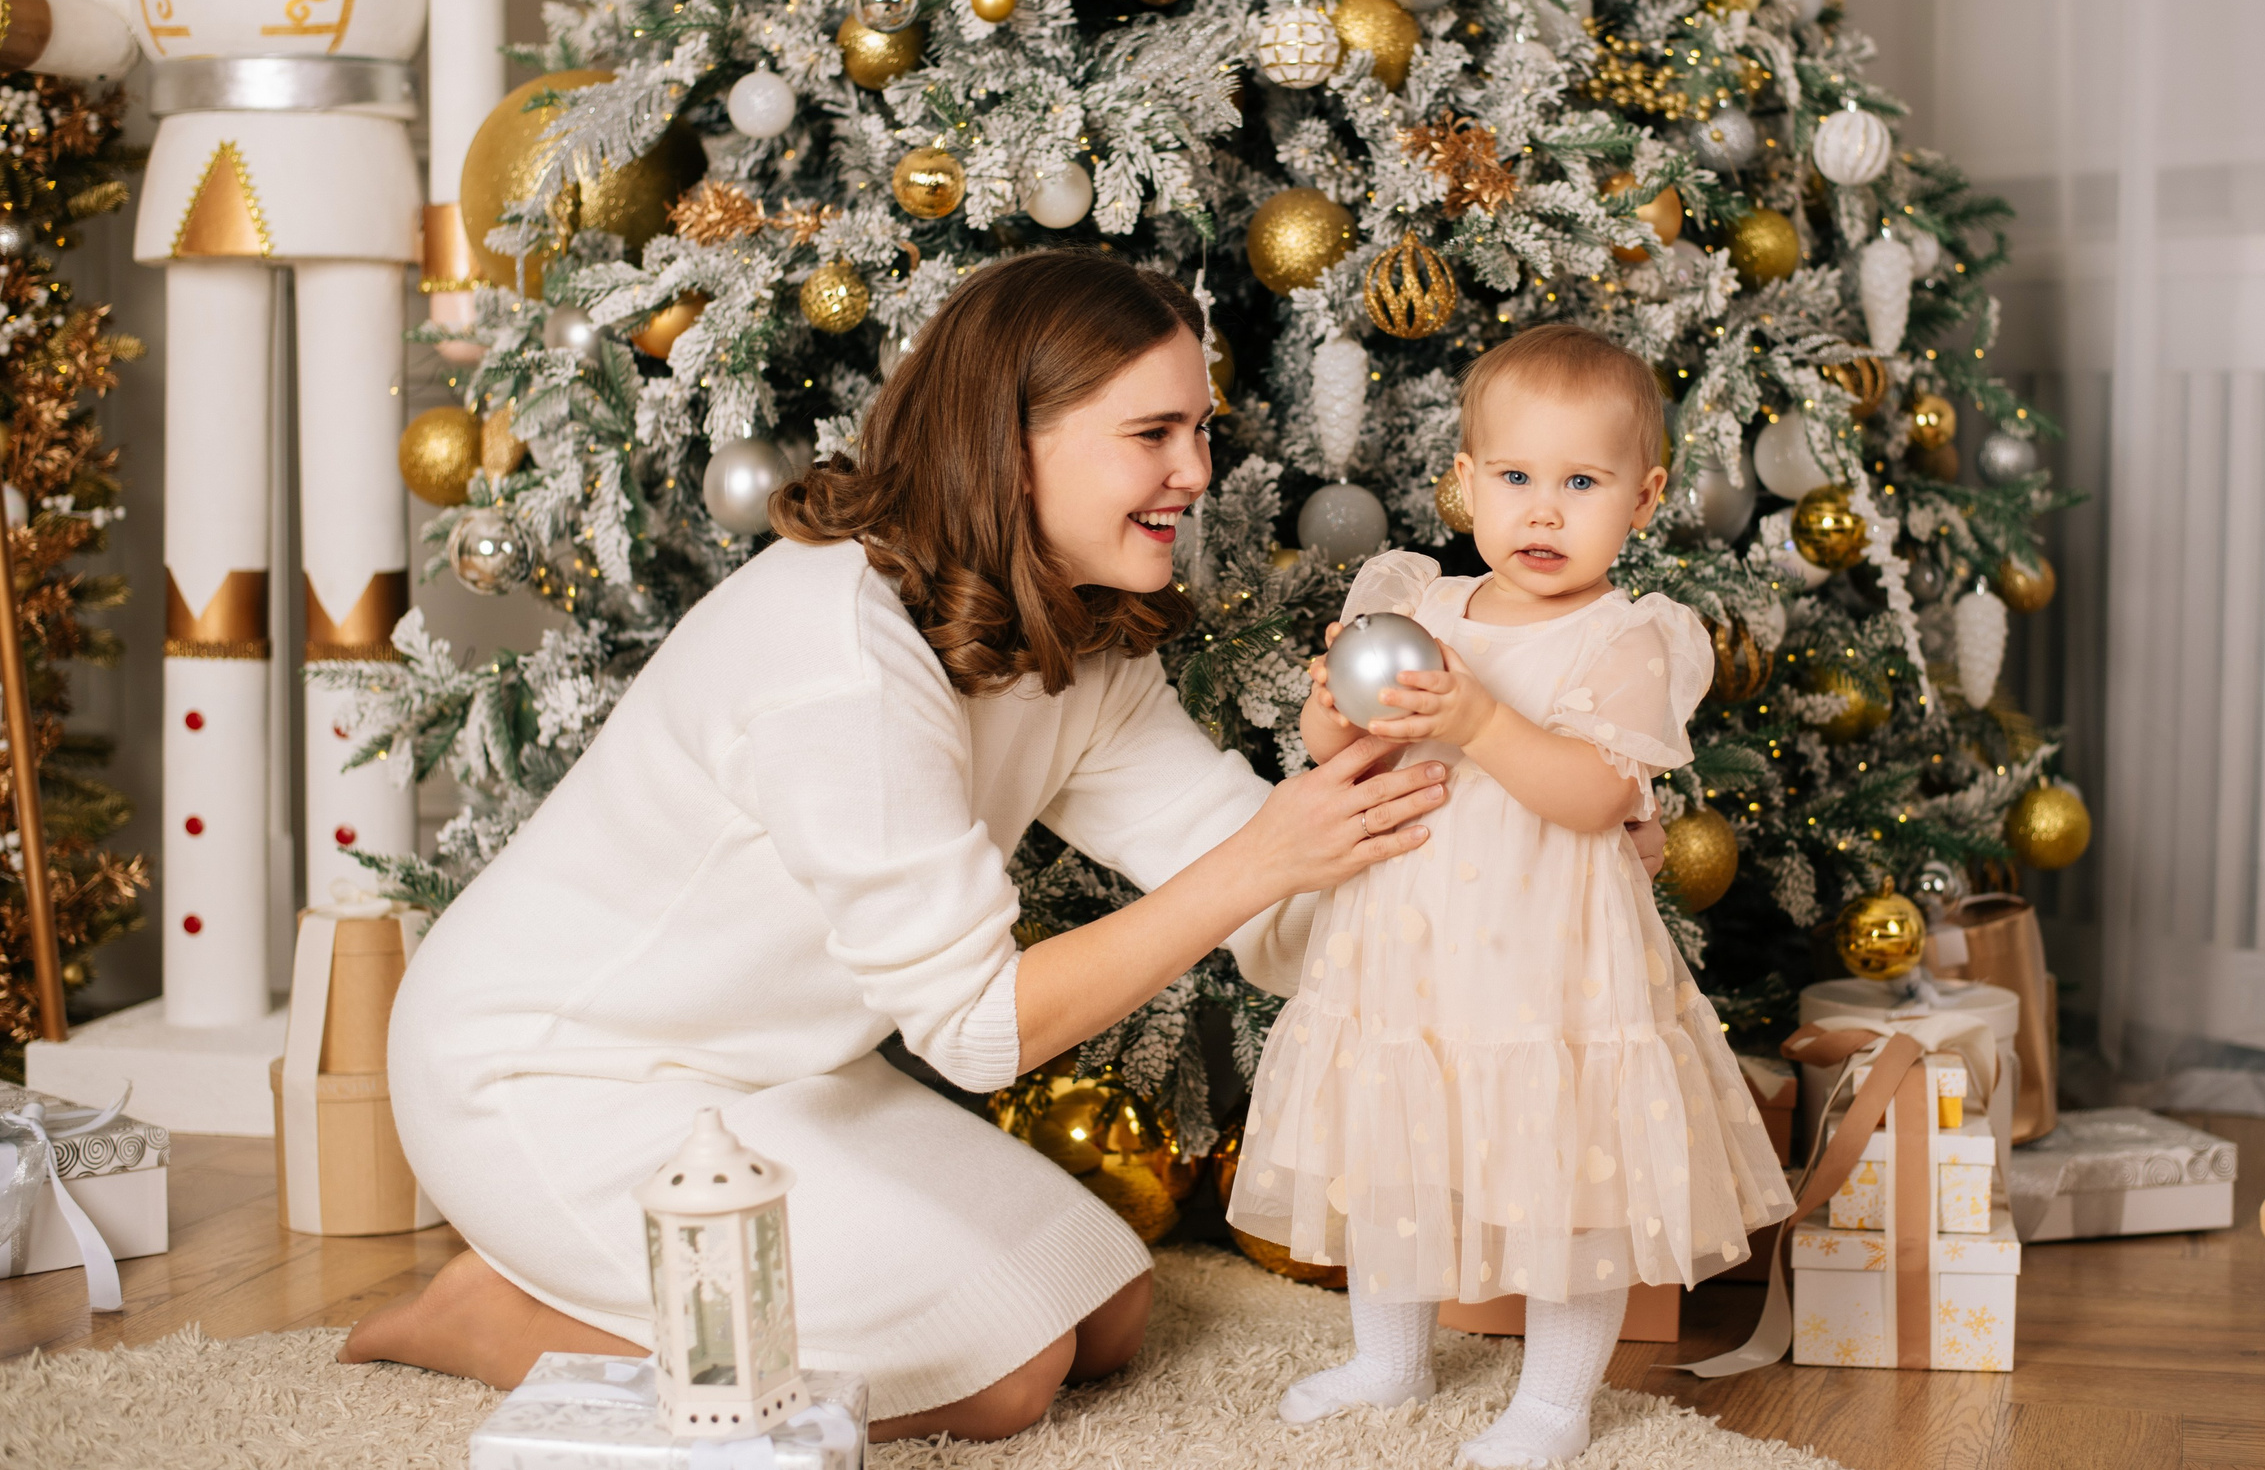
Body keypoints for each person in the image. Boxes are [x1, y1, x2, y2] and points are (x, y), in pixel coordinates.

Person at [343, 251, 1461, 1439]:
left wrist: (1345, 791)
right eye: (1153, 432)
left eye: (1199, 427)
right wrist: (1260, 860)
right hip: (558, 1076)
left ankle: (615, 1294)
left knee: (1113, 1309)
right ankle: (494, 1315)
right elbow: (979, 1030)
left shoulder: (1074, 634)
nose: (1196, 471)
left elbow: (1269, 914)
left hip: (782, 1076)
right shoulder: (839, 654)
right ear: (1010, 442)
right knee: (1003, 1374)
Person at [1226, 325, 1793, 1468]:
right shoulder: (1421, 605)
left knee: (1568, 1167)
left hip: (1551, 958)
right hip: (1409, 937)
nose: (1543, 511)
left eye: (1580, 483)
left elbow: (1591, 795)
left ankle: (1553, 1398)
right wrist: (1338, 702)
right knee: (1393, 1140)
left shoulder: (1629, 637)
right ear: (1468, 481)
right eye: (1517, 478)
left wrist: (1482, 718)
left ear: (1644, 496)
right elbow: (1341, 746)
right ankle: (1389, 1357)